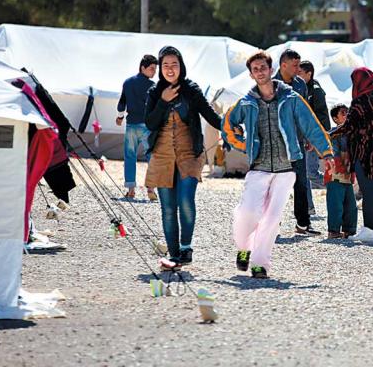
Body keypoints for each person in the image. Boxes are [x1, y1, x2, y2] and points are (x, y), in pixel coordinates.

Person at [224, 51, 333, 279]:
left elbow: (311, 124)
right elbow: (228, 124)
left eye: (263, 67)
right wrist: (242, 144)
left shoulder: (291, 98)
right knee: (248, 212)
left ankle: (259, 263)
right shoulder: (246, 102)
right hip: (259, 167)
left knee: (271, 219)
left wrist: (327, 152)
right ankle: (244, 248)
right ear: (251, 74)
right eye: (255, 69)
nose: (260, 72)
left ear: (271, 69)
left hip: (286, 168)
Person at [144, 46, 222, 268]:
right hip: (161, 155)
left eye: (174, 64)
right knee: (168, 207)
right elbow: (150, 123)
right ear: (160, 68)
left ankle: (186, 248)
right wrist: (163, 100)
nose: (170, 69)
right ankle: (174, 254)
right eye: (165, 65)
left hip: (189, 154)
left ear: (181, 66)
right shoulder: (154, 92)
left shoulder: (191, 90)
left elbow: (211, 116)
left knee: (185, 200)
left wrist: (231, 125)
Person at [331, 67, 373, 244]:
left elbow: (349, 126)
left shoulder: (361, 101)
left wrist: (329, 134)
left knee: (367, 192)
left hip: (365, 153)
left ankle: (368, 229)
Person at [273, 49, 319, 234]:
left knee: (301, 182)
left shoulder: (301, 84)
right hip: (276, 143)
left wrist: (308, 136)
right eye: (294, 65)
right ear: (283, 65)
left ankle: (303, 224)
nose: (298, 69)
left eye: (299, 65)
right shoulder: (270, 84)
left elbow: (305, 112)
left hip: (298, 142)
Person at [117, 54, 158, 201]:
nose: (154, 72)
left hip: (131, 125)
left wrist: (120, 117)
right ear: (143, 68)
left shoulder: (128, 83)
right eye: (152, 68)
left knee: (129, 157)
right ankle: (151, 188)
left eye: (155, 69)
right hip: (147, 126)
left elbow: (122, 103)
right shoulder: (153, 86)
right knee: (152, 157)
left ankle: (131, 189)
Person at [325, 103, 357, 239]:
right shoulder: (333, 134)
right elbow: (334, 154)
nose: (347, 115)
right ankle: (333, 230)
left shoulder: (353, 133)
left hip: (348, 174)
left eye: (348, 113)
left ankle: (350, 230)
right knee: (336, 204)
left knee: (351, 205)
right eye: (343, 113)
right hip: (335, 174)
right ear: (335, 118)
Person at [298, 60, 330, 190]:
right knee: (303, 174)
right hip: (303, 136)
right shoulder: (301, 89)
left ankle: (338, 187)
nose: (296, 75)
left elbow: (321, 117)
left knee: (311, 173)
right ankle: (308, 207)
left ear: (309, 74)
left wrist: (314, 139)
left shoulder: (316, 91)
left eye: (299, 72)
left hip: (312, 137)